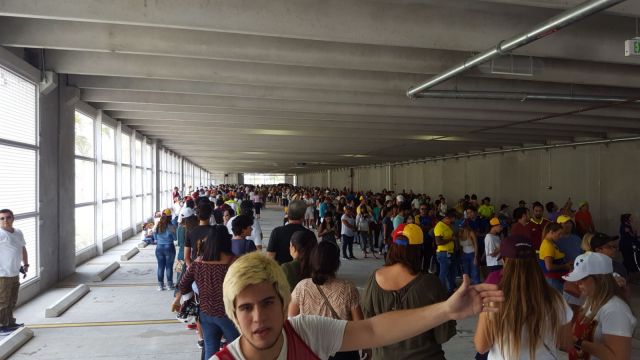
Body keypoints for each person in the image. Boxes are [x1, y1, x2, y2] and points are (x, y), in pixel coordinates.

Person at [213, 252, 503, 360]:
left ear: (283, 303)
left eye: (267, 303)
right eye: (245, 308)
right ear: (233, 314)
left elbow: (374, 330)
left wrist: (447, 310)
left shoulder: (305, 333)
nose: (259, 317)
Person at [362, 223, 455, 359]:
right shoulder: (431, 284)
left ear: (393, 247)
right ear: (418, 249)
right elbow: (443, 335)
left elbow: (366, 327)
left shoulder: (373, 280)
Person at [474, 234, 573, 360]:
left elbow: (482, 346)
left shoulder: (493, 299)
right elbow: (565, 343)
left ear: (504, 261)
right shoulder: (555, 298)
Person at [172, 225, 240, 359]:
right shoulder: (234, 262)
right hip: (228, 314)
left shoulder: (198, 263)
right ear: (227, 241)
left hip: (205, 314)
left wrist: (189, 298)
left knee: (210, 349)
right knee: (237, 349)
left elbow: (183, 284)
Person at [290, 241, 365, 360]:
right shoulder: (348, 288)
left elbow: (291, 322)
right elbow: (360, 326)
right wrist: (366, 348)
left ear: (313, 261)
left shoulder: (302, 287)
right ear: (337, 263)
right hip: (342, 350)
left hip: (311, 350)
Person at [563, 252, 637, 360]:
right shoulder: (591, 299)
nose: (577, 282)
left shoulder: (614, 310)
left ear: (600, 279)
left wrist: (577, 342)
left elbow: (619, 357)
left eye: (582, 278)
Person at [0, 209, 28, 335]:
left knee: (12, 300)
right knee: (3, 301)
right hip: (3, 274)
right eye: (2, 218)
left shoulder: (18, 232)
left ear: (13, 218)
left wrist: (25, 264)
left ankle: (10, 322)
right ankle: (2, 326)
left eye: (8, 217)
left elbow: (22, 249)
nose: (5, 220)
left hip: (15, 272)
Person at [267, 200, 315, 264]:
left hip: (281, 272)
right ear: (303, 216)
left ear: (288, 214)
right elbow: (314, 259)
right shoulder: (310, 235)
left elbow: (270, 259)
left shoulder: (276, 232)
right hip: (303, 273)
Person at [538, 222, 571, 293]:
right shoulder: (548, 245)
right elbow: (549, 267)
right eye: (559, 234)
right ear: (551, 232)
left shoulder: (551, 243)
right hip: (553, 280)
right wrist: (564, 266)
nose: (561, 236)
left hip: (556, 278)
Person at [434, 209, 457, 294]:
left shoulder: (447, 226)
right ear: (447, 218)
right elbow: (438, 242)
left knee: (450, 273)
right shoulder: (439, 226)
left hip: (450, 252)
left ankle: (450, 290)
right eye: (452, 219)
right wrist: (451, 239)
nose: (453, 221)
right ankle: (441, 292)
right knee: (443, 274)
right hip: (443, 253)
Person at [154, 209, 176, 291]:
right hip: (169, 247)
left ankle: (160, 285)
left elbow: (155, 237)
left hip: (159, 247)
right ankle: (170, 285)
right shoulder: (171, 226)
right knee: (169, 267)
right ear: (170, 217)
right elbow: (175, 238)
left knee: (160, 267)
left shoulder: (158, 225)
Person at [619, 213, 640, 281]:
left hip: (628, 246)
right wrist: (635, 235)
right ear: (626, 219)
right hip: (626, 246)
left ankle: (628, 275)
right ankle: (625, 275)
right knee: (627, 260)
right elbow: (630, 236)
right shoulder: (624, 226)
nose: (632, 219)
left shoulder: (628, 226)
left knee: (629, 260)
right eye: (630, 218)